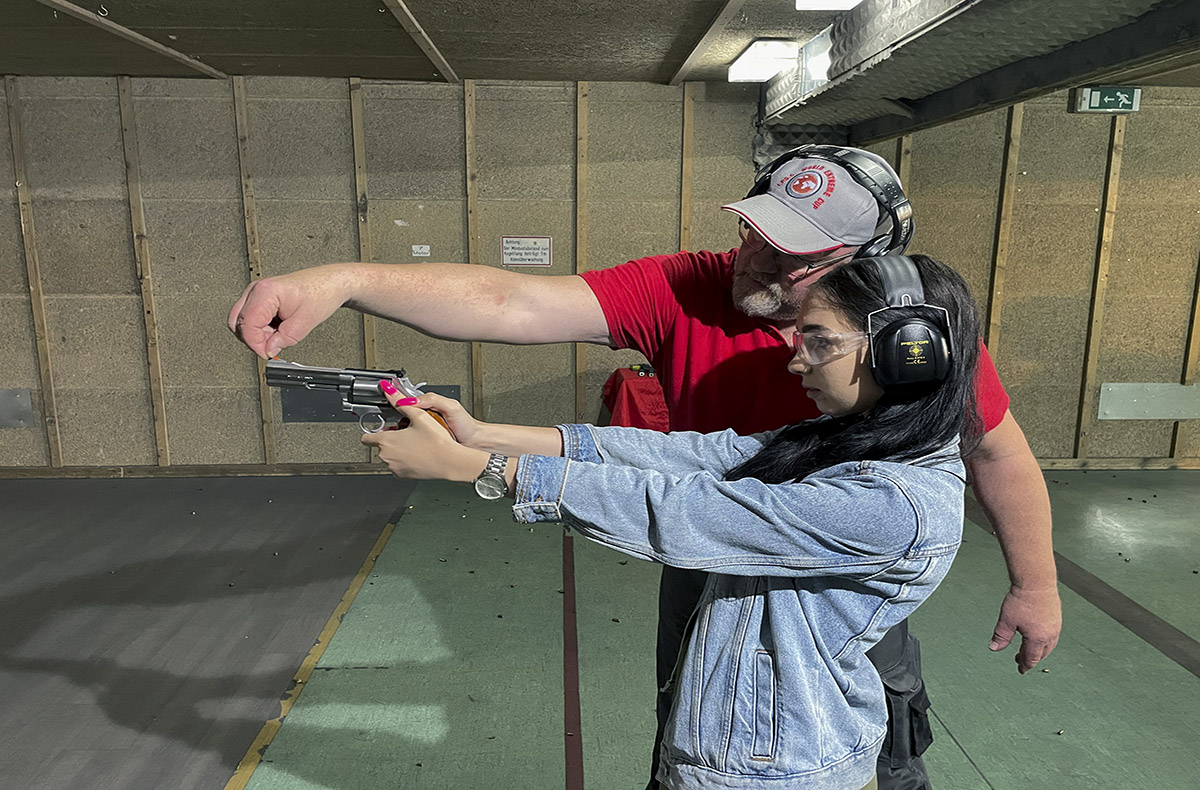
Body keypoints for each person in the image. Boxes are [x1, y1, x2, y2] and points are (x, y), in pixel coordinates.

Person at [228, 145, 1061, 789]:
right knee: (703, 719)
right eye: (755, 235)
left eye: (794, 260)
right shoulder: (718, 317)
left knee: (852, 746)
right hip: (710, 575)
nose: (754, 264)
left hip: (827, 596)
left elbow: (696, 509)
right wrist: (347, 286)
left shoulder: (898, 459)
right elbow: (689, 452)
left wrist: (1036, 585)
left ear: (896, 334)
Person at [360, 253, 981, 790]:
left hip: (776, 769)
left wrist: (484, 469)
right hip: (738, 745)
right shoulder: (844, 440)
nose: (798, 363)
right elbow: (692, 455)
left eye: (820, 342)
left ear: (906, 354)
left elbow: (687, 512)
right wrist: (483, 434)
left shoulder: (896, 500)